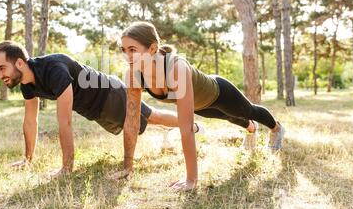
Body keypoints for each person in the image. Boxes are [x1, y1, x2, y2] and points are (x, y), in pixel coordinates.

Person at [0, 40, 203, 178]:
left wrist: (66, 169)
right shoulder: (27, 83)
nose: (0, 75)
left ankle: (190, 126)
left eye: (2, 68)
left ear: (18, 63)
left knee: (150, 117)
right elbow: (30, 121)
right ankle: (183, 127)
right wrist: (28, 159)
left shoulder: (54, 69)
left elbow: (65, 122)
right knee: (149, 118)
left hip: (109, 94)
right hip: (97, 108)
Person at [119, 21, 285, 191]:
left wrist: (191, 179)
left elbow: (186, 129)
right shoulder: (133, 75)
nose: (127, 56)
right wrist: (127, 165)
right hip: (200, 106)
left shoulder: (176, 68)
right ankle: (251, 128)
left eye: (132, 50)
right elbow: (132, 121)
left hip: (220, 93)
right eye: (123, 50)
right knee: (228, 117)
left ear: (152, 49)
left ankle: (276, 129)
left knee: (248, 111)